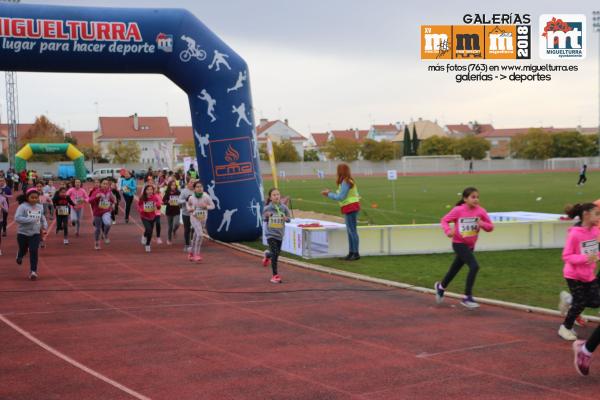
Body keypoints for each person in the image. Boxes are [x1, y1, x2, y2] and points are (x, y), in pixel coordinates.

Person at [435, 187, 494, 309]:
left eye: (477, 197)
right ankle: (467, 297)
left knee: (454, 269)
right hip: (458, 243)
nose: (476, 199)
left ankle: (441, 287)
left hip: (470, 246)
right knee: (474, 266)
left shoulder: (481, 211)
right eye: (473, 197)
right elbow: (444, 220)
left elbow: (490, 227)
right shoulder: (458, 210)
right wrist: (448, 231)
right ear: (465, 199)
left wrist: (482, 224)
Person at [555, 203, 600, 341]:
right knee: (580, 302)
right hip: (573, 275)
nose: (599, 217)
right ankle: (565, 328)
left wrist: (596, 256)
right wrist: (585, 258)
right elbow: (566, 256)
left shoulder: (595, 231)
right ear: (586, 214)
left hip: (588, 274)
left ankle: (569, 299)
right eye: (597, 214)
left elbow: (596, 251)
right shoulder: (575, 234)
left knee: (596, 301)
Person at [321, 163, 361, 261]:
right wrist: (331, 193)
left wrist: (328, 194)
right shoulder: (347, 181)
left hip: (350, 207)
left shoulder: (346, 182)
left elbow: (340, 197)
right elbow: (341, 195)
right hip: (350, 207)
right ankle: (352, 252)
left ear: (340, 171)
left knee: (352, 231)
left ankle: (355, 253)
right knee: (351, 231)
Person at [15, 188, 48, 280]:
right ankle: (20, 254)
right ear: (27, 197)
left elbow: (42, 217)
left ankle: (33, 271)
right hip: (22, 233)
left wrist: (45, 225)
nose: (34, 199)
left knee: (33, 250)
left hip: (35, 233)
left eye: (36, 198)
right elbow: (17, 218)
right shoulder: (22, 206)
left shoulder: (39, 207)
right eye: (32, 197)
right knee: (23, 249)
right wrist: (31, 220)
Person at [262, 188, 291, 283]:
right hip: (270, 234)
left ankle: (267, 255)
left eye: (278, 194)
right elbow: (264, 219)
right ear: (270, 198)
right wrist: (267, 215)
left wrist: (285, 218)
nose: (276, 196)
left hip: (280, 234)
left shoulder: (284, 208)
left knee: (277, 253)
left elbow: (289, 219)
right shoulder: (267, 208)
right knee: (275, 253)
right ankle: (275, 276)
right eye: (274, 195)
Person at [186, 181, 215, 262]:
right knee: (200, 235)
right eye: (197, 187)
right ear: (194, 189)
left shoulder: (206, 196)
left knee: (196, 235)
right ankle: (197, 254)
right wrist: (190, 209)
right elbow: (188, 204)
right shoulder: (191, 197)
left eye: (201, 187)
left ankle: (191, 253)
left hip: (203, 218)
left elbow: (213, 206)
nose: (199, 188)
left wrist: (206, 207)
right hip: (194, 218)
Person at [89, 179, 116, 250]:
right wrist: (96, 197)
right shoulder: (96, 192)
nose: (105, 185)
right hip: (97, 212)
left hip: (106, 211)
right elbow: (89, 200)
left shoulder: (109, 192)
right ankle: (97, 242)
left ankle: (105, 234)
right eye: (103, 183)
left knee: (108, 224)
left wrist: (113, 204)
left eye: (106, 184)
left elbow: (113, 200)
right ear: (100, 184)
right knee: (98, 228)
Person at [137, 184, 162, 253]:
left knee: (149, 230)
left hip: (152, 216)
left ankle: (145, 236)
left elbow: (158, 204)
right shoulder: (142, 198)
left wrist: (157, 205)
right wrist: (142, 209)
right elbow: (138, 206)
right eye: (148, 189)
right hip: (144, 216)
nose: (150, 191)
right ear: (145, 191)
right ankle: (147, 245)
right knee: (149, 229)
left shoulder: (154, 197)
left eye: (151, 189)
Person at [179, 179, 195, 252]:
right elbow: (179, 200)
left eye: (194, 182)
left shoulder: (196, 191)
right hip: (186, 213)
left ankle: (192, 243)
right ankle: (187, 244)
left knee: (194, 229)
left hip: (195, 213)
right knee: (187, 229)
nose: (192, 184)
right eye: (191, 182)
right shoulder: (184, 191)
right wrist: (186, 200)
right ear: (187, 184)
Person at [162, 180, 181, 245]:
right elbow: (163, 201)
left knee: (177, 224)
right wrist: (168, 202)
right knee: (170, 226)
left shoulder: (178, 192)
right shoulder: (167, 193)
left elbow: (181, 200)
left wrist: (180, 202)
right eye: (172, 185)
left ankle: (174, 230)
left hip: (176, 210)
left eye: (174, 185)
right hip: (169, 211)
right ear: (169, 186)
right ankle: (169, 239)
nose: (173, 186)